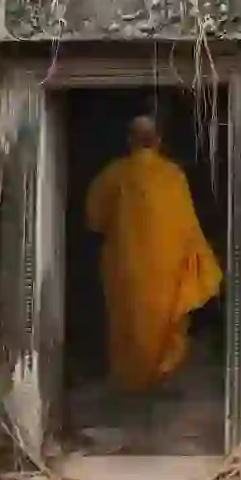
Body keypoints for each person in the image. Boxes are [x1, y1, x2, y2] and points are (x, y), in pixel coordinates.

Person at [86, 115, 222, 395]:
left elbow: (94, 220)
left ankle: (129, 384)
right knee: (165, 321)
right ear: (158, 141)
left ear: (129, 141)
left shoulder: (114, 174)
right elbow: (188, 226)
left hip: (125, 266)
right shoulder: (174, 176)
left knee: (127, 322)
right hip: (167, 267)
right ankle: (160, 378)